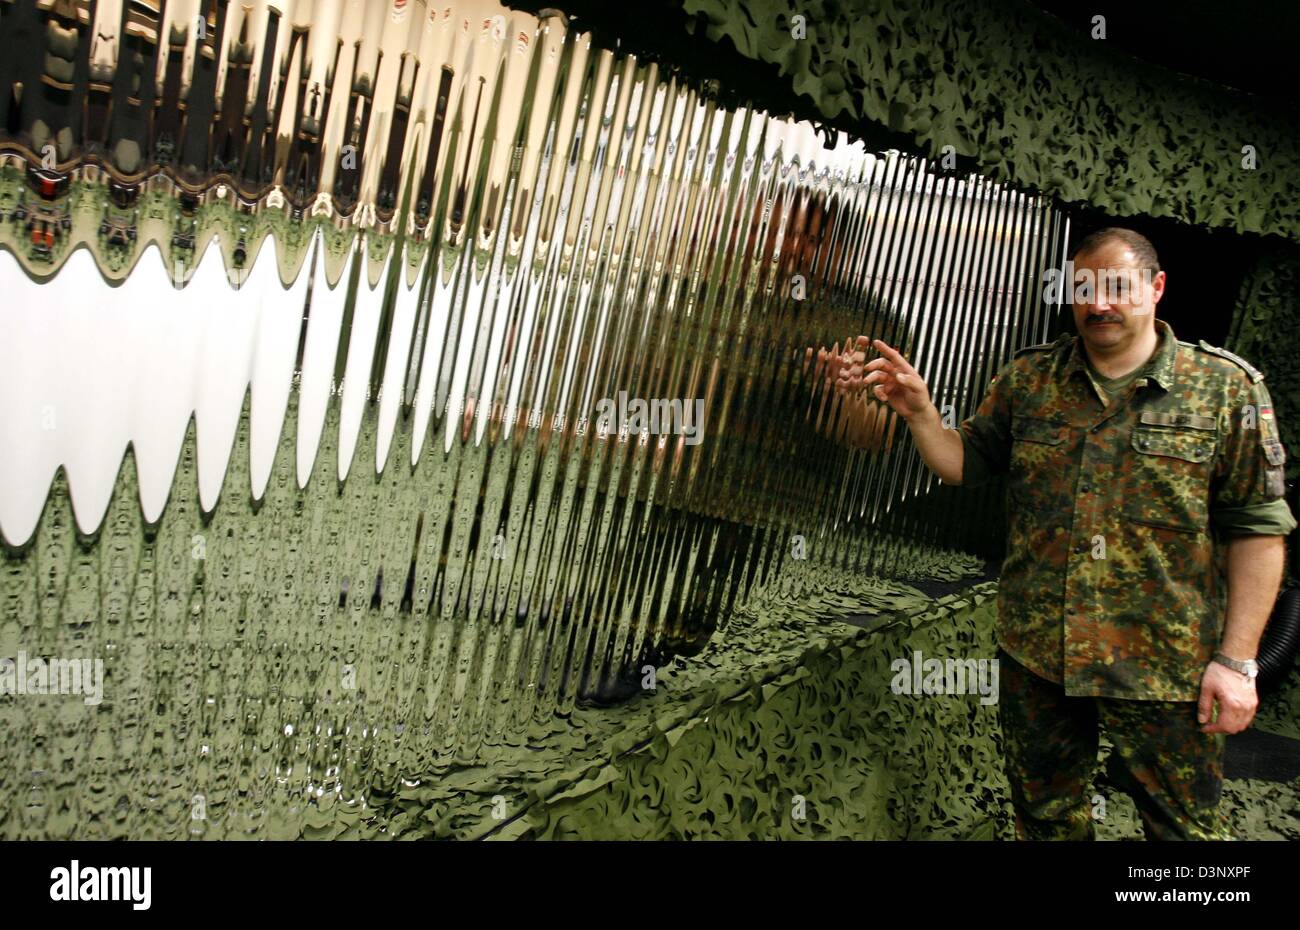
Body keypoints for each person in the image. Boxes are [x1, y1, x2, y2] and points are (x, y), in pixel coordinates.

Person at [840, 226, 1296, 840]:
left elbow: (1259, 533)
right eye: (1084, 287)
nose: (1099, 303)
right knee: (1047, 819)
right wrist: (921, 411)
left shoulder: (1224, 390)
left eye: (1116, 286)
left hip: (1165, 665)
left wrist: (1237, 663)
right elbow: (964, 464)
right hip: (1040, 655)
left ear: (1156, 288)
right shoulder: (1031, 379)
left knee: (1183, 833)